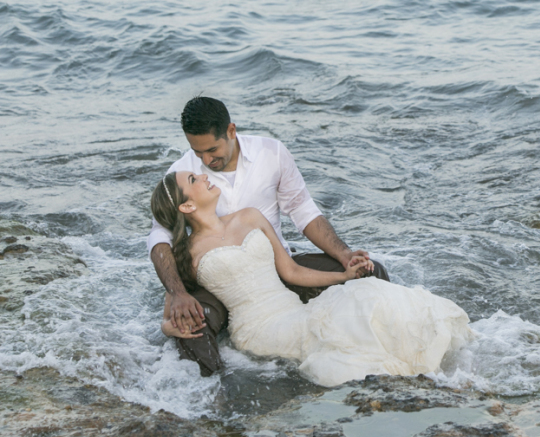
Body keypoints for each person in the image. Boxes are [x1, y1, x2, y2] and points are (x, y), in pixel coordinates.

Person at [150, 171, 471, 386]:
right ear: (188, 204)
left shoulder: (249, 217)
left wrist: (344, 275)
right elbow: (170, 314)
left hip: (294, 307)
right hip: (257, 329)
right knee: (349, 325)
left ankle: (425, 364)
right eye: (194, 178)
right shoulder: (187, 253)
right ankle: (415, 378)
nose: (204, 175)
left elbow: (290, 271)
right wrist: (171, 327)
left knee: (366, 293)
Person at [148, 96, 389, 376]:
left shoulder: (271, 153)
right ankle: (216, 396)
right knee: (191, 325)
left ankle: (384, 346)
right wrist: (178, 294)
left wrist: (343, 254)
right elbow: (160, 238)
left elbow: (302, 210)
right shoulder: (182, 175)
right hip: (219, 283)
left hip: (277, 269)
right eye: (196, 152)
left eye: (212, 150)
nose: (205, 160)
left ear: (231, 131)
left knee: (370, 273)